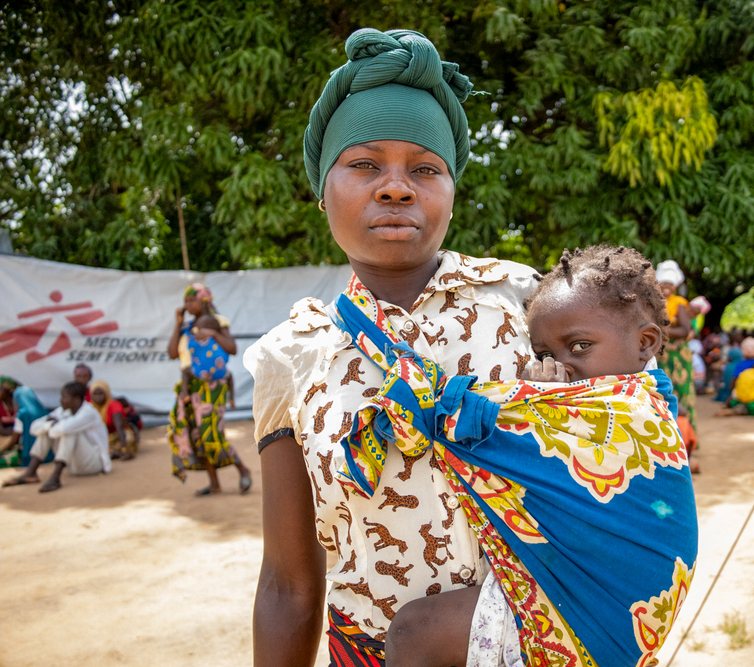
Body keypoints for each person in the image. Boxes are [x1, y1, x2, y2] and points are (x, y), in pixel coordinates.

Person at [244, 30, 696, 667]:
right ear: (323, 188)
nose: (396, 187)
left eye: (425, 169)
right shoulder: (289, 357)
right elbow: (288, 582)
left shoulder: (527, 304)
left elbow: (628, 447)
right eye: (365, 164)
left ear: (452, 190)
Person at [375, 245, 696, 666]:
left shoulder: (637, 410)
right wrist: (542, 403)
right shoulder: (588, 398)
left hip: (601, 605)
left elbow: (498, 434)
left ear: (645, 343)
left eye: (580, 346)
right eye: (544, 355)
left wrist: (532, 405)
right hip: (585, 593)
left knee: (414, 633)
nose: (560, 365)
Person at [167, 284, 250, 496]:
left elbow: (231, 348)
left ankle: (242, 469)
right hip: (190, 386)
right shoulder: (186, 327)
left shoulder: (218, 323)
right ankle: (214, 483)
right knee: (195, 435)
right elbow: (172, 354)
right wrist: (177, 325)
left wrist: (212, 332)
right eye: (185, 301)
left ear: (204, 300)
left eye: (191, 300)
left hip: (213, 387)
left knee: (212, 432)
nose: (187, 305)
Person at [2, 382, 111, 492]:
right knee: (47, 430)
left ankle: (55, 478)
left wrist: (52, 425)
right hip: (73, 466)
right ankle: (31, 473)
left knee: (68, 431)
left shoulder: (89, 413)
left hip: (93, 464)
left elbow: (62, 430)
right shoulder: (63, 411)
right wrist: (50, 425)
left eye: (64, 397)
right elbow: (34, 428)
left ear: (76, 400)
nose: (61, 400)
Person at [656, 260, 697, 431]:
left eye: (670, 284)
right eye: (663, 283)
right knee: (661, 392)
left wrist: (663, 331)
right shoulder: (653, 303)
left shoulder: (679, 302)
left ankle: (688, 439)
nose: (667, 287)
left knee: (683, 392)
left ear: (674, 287)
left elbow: (686, 329)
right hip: (660, 354)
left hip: (678, 353)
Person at [717, 337, 754, 416]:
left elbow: (733, 381)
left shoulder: (740, 364)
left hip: (740, 394)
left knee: (734, 393)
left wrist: (732, 391)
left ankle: (726, 406)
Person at [90, 380, 139, 460]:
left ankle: (119, 451)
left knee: (128, 436)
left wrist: (124, 449)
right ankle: (111, 453)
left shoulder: (114, 405)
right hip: (99, 437)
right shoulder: (89, 407)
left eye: (101, 393)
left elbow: (119, 427)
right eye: (95, 394)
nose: (98, 397)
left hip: (116, 436)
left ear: (107, 393)